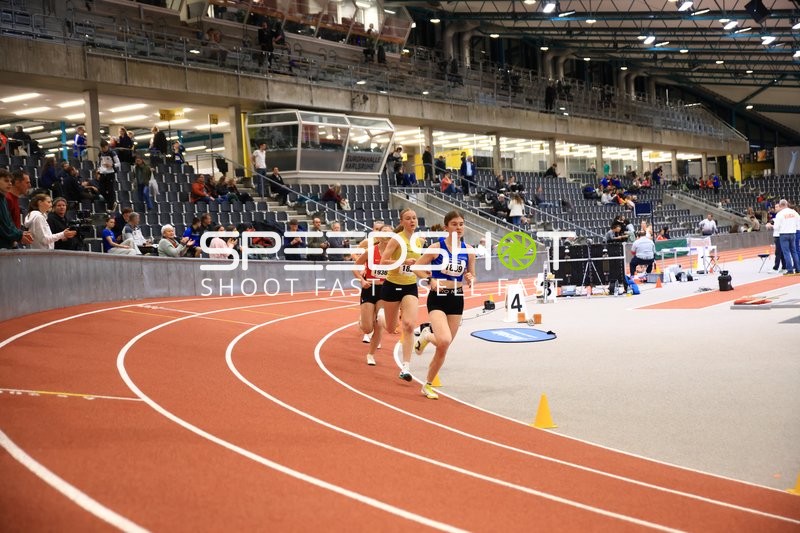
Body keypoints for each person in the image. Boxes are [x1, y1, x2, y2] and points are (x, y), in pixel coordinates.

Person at [412, 210, 476, 399]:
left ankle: (428, 383)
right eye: (454, 224)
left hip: (457, 297)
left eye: (461, 224)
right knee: (445, 340)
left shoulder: (469, 250)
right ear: (446, 227)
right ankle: (426, 337)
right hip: (438, 297)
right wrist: (429, 279)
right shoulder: (436, 248)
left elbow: (472, 276)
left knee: (443, 345)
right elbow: (417, 267)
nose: (458, 227)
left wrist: (471, 278)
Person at [376, 208, 424, 382]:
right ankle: (381, 316)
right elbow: (383, 262)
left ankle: (406, 366)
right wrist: (404, 261)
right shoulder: (397, 239)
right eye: (408, 218)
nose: (412, 221)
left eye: (414, 218)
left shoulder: (419, 241)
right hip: (392, 285)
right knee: (390, 328)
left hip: (410, 286)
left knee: (409, 325)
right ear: (402, 222)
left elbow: (417, 265)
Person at [352, 224, 392, 365]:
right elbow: (355, 266)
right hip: (370, 288)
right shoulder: (370, 251)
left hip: (385, 290)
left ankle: (371, 354)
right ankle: (363, 321)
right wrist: (362, 280)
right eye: (384, 232)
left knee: (380, 322)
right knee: (367, 327)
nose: (387, 235)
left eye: (389, 233)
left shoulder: (395, 253)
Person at [0, 170, 33, 248]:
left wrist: (19, 234)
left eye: (10, 181)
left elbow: (9, 223)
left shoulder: (6, 199)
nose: (30, 185)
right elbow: (3, 224)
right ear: (18, 183)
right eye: (27, 182)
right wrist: (18, 235)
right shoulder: (8, 199)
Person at [771, 199, 799, 275]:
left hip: (783, 234)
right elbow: (798, 221)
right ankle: (798, 269)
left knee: (786, 252)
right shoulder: (793, 212)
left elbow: (776, 227)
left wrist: (772, 226)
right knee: (794, 251)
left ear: (780, 205)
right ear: (787, 204)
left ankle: (789, 269)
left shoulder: (780, 214)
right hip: (792, 233)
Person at [97, 140, 120, 211]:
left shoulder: (112, 153)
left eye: (104, 147)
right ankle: (112, 202)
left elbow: (118, 163)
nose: (103, 149)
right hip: (102, 173)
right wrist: (98, 170)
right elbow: (99, 163)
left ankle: (111, 206)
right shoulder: (100, 153)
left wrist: (112, 165)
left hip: (110, 173)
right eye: (102, 148)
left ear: (107, 146)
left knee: (110, 190)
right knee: (101, 190)